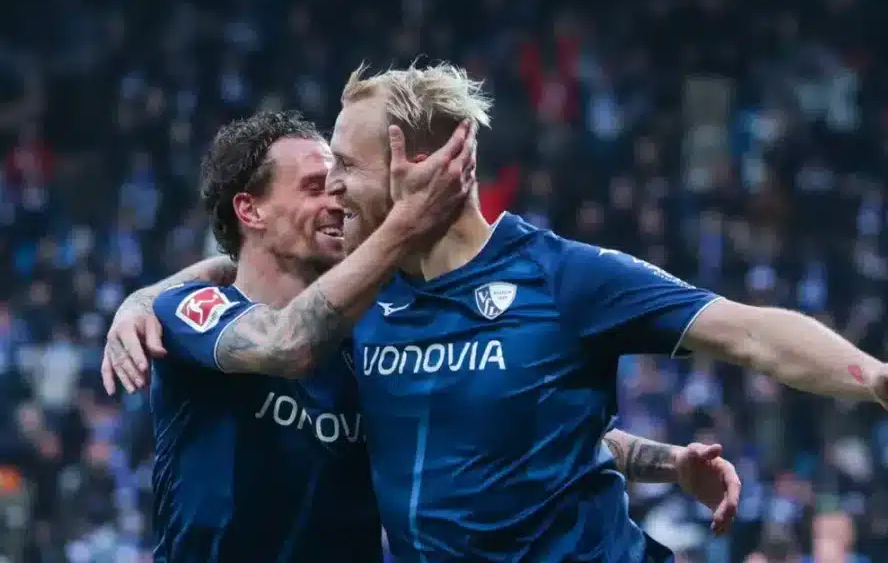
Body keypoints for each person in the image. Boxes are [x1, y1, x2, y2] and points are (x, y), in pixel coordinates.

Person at [109, 62, 888, 560]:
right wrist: (145, 297)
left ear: (423, 168)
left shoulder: (561, 277)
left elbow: (747, 329)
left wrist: (874, 380)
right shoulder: (358, 311)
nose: (335, 188)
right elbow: (277, 319)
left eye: (346, 167)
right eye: (320, 173)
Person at [104, 110, 742, 561]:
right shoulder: (194, 307)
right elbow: (284, 345)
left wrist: (667, 463)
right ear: (250, 210)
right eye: (311, 188)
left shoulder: (373, 335)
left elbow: (515, 417)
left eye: (338, 184)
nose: (336, 200)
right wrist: (404, 225)